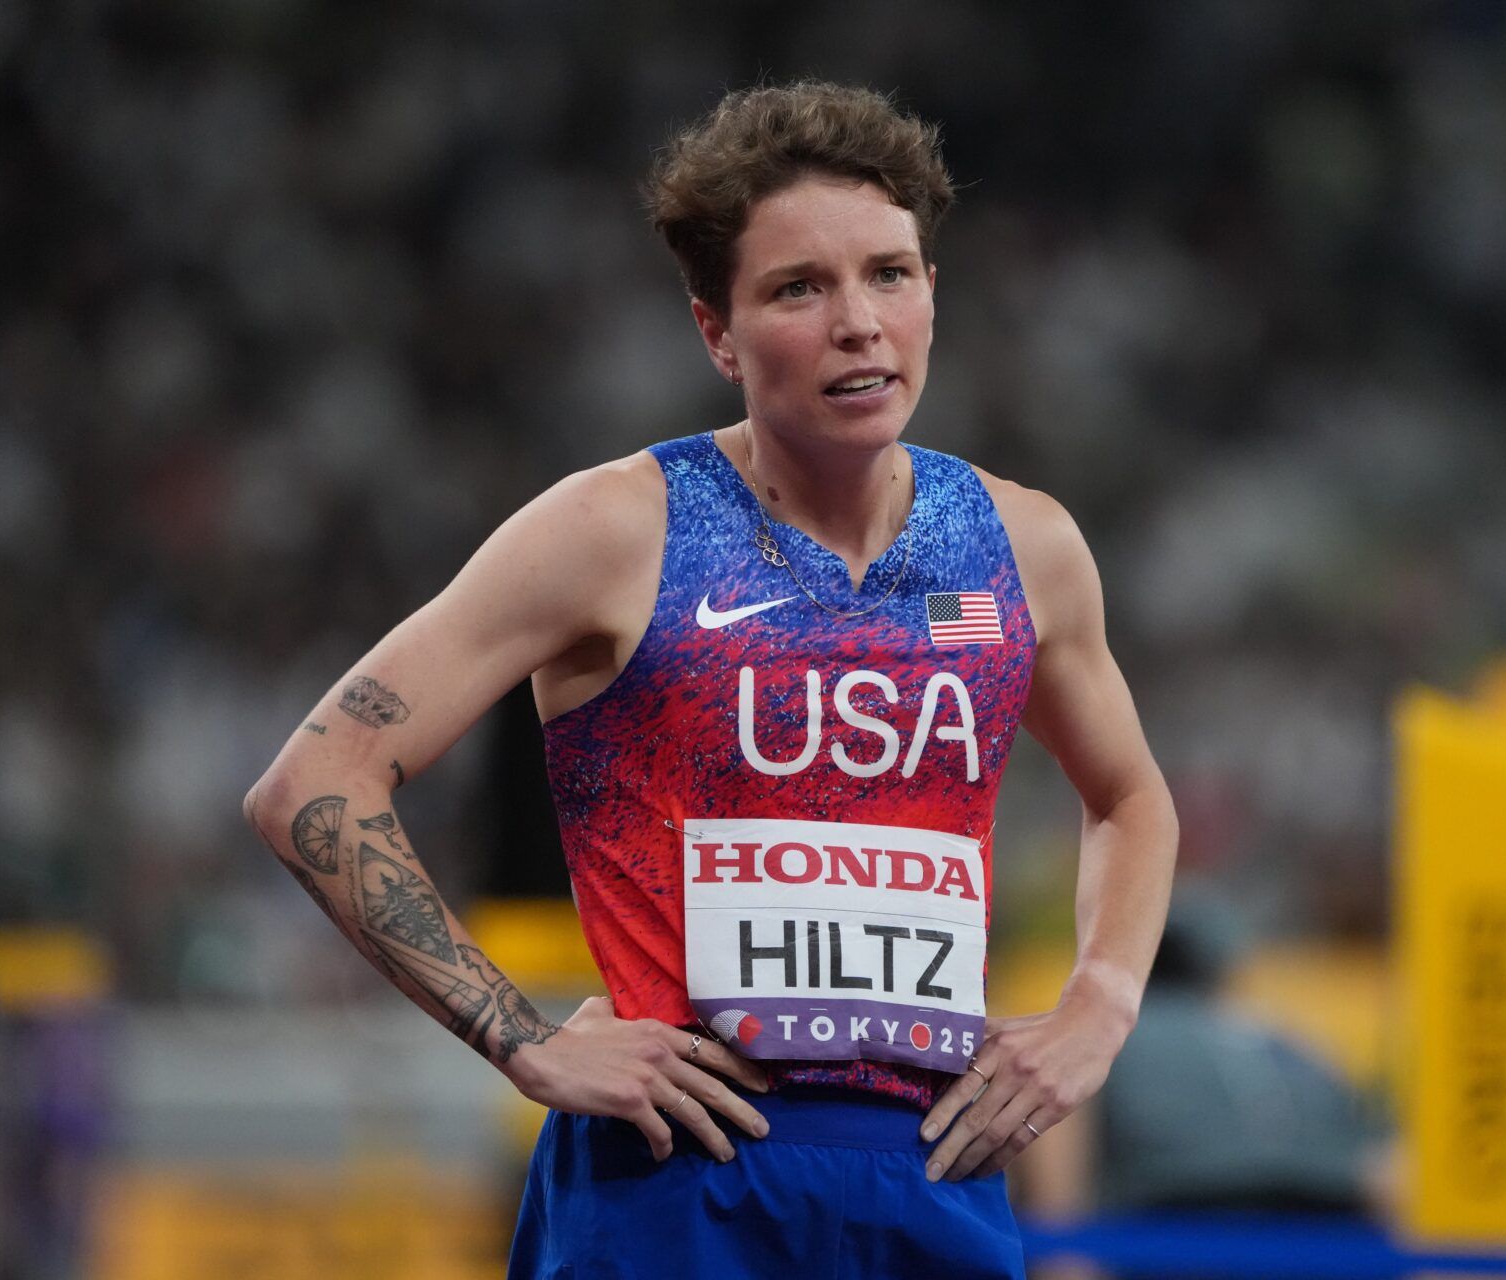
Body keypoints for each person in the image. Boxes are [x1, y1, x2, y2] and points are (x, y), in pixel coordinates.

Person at [243, 80, 1177, 1279]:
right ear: (716, 332)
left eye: (891, 273)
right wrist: (519, 1037)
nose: (859, 322)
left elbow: (1134, 798)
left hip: (933, 1172)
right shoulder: (615, 529)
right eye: (800, 287)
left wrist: (1099, 1005)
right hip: (676, 1181)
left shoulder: (1025, 544)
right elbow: (316, 779)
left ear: (934, 293)